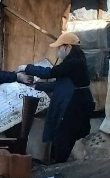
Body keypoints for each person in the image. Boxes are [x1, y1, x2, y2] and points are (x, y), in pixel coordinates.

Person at [18, 32, 95, 164]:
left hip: (75, 104)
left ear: (68, 47)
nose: (58, 51)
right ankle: (60, 163)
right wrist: (36, 86)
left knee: (64, 137)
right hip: (76, 102)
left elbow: (50, 73)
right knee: (63, 136)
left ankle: (62, 166)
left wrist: (27, 68)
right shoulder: (75, 62)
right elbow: (59, 84)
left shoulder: (74, 63)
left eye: (60, 47)